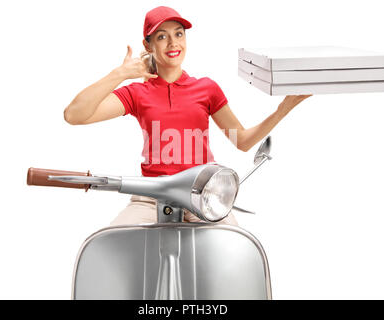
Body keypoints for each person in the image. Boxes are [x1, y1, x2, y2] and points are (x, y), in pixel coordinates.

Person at [63, 6, 310, 227]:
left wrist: (283, 109)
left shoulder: (206, 89)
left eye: (178, 34)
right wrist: (120, 74)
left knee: (234, 248)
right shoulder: (137, 93)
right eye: (162, 37)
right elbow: (74, 115)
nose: (173, 43)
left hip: (203, 194)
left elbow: (241, 140)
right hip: (152, 196)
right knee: (112, 244)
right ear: (148, 45)